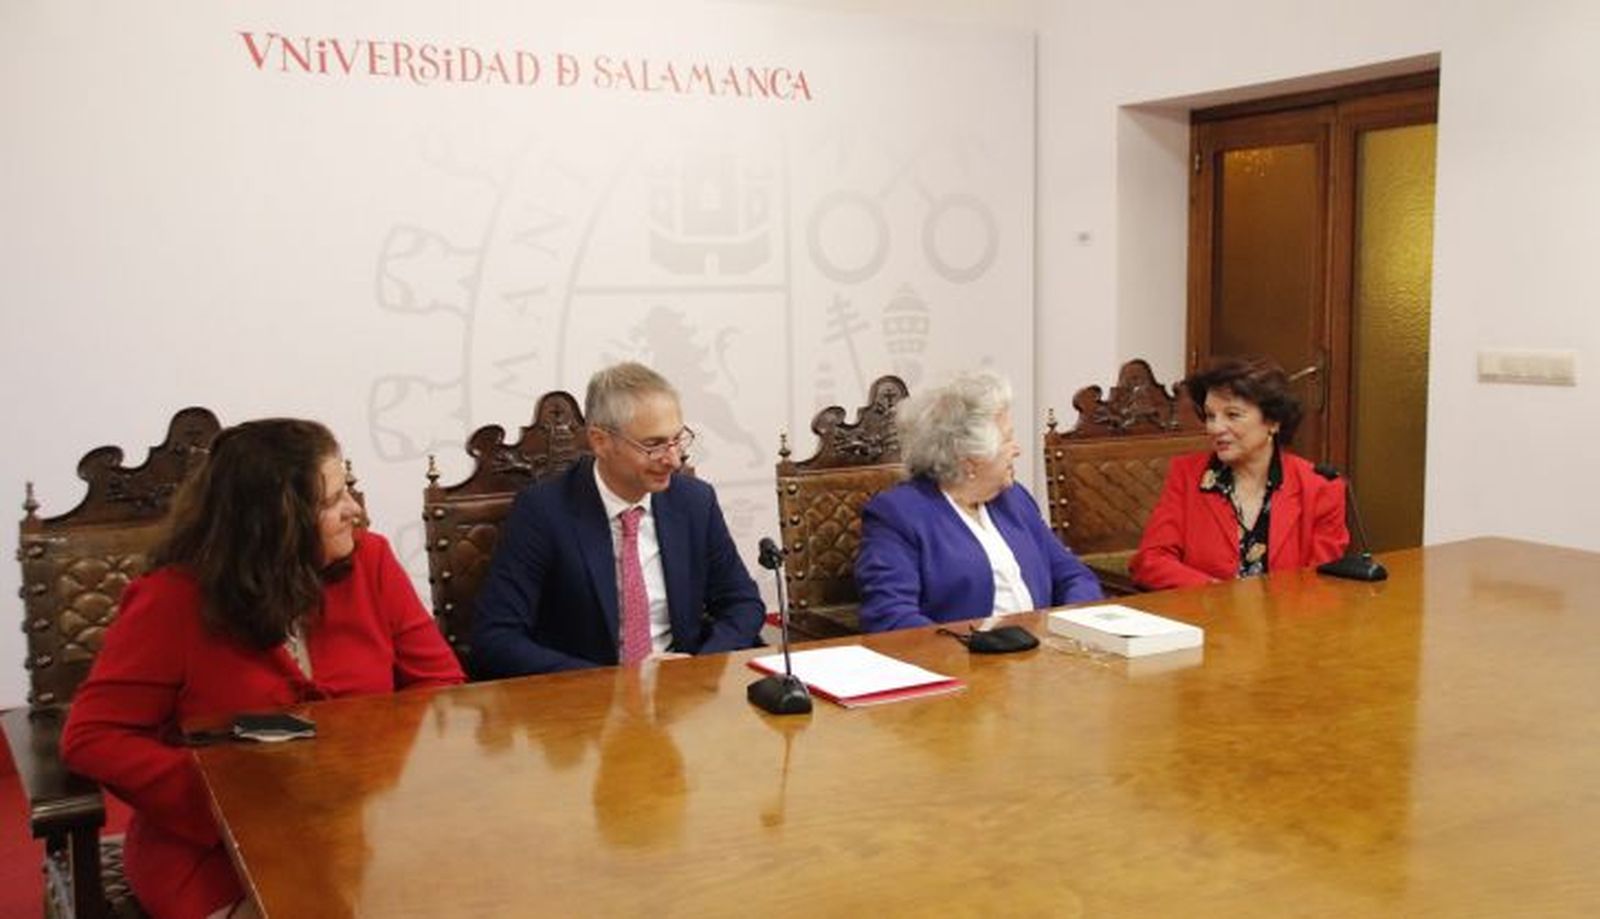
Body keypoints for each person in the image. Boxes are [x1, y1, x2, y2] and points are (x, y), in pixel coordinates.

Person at [60, 419, 464, 919]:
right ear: (277, 520)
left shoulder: (372, 563)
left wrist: (377, 770)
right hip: (219, 858)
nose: (355, 511)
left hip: (369, 831)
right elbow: (94, 736)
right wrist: (229, 801)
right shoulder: (173, 600)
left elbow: (441, 688)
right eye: (334, 500)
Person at [471, 362, 764, 677]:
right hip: (586, 703)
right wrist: (615, 684)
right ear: (600, 441)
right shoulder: (543, 511)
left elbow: (743, 604)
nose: (674, 459)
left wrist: (697, 668)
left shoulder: (694, 502)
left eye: (677, 439)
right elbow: (496, 638)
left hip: (682, 699)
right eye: (653, 445)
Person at [855, 370, 1103, 632]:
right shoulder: (899, 515)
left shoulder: (1013, 499)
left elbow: (1074, 576)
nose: (1017, 449)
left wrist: (1070, 625)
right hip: (963, 662)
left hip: (1044, 654)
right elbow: (890, 617)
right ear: (970, 459)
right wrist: (973, 649)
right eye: (1007, 439)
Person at [1129, 355, 1349, 590]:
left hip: (1289, 623)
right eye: (1211, 416)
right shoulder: (1187, 475)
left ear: (1273, 421)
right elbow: (1150, 561)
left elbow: (1324, 583)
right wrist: (1217, 595)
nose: (1216, 428)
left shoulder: (1320, 488)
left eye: (1232, 415)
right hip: (1206, 619)